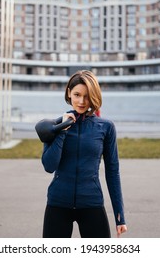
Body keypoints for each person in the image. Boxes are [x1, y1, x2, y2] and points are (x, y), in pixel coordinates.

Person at [40, 70, 127, 238]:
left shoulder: (106, 127)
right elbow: (49, 166)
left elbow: (112, 172)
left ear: (94, 96)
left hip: (91, 203)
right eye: (77, 94)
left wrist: (119, 215)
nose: (81, 101)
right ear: (68, 93)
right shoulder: (53, 126)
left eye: (87, 96)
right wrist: (62, 131)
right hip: (58, 204)